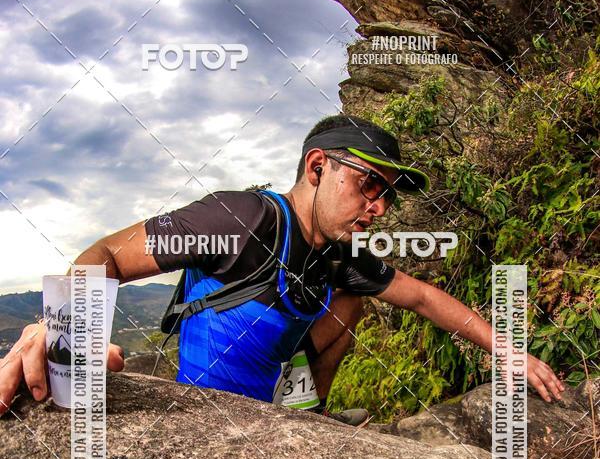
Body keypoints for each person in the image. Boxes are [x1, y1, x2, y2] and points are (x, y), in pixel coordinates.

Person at [0, 114, 564, 423]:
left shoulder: (341, 251)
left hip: (272, 407)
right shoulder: (242, 219)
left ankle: (308, 414)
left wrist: (512, 353)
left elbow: (421, 298)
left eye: (389, 195)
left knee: (353, 299)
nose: (381, 207)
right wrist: (61, 329)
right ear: (318, 166)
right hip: (201, 409)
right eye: (370, 184)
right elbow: (108, 255)